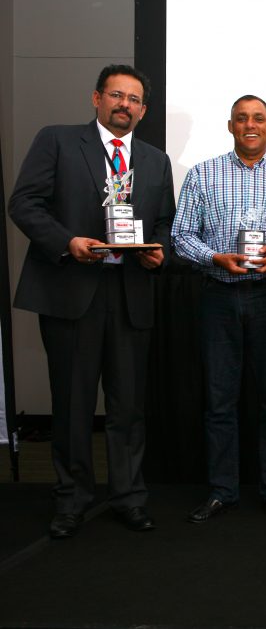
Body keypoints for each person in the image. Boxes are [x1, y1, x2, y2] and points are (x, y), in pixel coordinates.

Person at [9, 64, 174, 538]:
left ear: (144, 110)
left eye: (134, 99)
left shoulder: (155, 160)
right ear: (96, 98)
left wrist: (159, 252)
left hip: (130, 293)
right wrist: (67, 242)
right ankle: (71, 499)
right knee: (73, 405)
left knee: (128, 408)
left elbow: (164, 223)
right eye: (116, 95)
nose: (125, 105)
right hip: (71, 289)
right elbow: (24, 203)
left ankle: (129, 497)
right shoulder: (57, 141)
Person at [171, 95, 266, 523]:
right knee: (220, 400)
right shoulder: (203, 174)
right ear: (230, 126)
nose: (250, 125)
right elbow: (181, 235)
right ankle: (223, 490)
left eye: (259, 118)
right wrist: (214, 258)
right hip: (219, 296)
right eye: (242, 119)